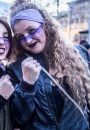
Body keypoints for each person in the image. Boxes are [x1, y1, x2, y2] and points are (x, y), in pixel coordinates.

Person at [7, 0, 90, 129]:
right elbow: (19, 119)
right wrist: (27, 84)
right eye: (20, 37)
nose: (28, 40)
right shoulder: (16, 68)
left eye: (31, 30)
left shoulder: (79, 53)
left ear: (45, 25)